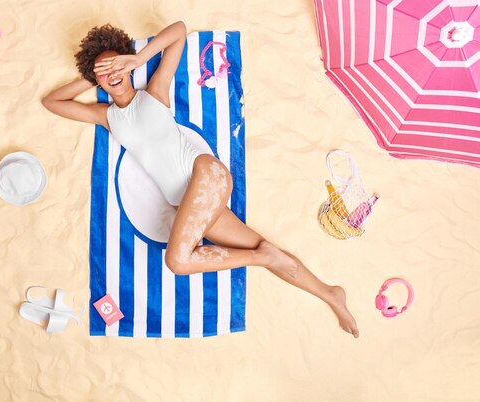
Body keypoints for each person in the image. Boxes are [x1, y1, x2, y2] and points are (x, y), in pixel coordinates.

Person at [42, 21, 359, 338]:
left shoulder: (154, 92)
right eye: (104, 72)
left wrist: (138, 58)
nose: (113, 75)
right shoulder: (107, 117)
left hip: (207, 176)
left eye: (116, 66)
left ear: (127, 66)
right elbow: (52, 102)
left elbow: (178, 31)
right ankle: (330, 293)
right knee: (260, 246)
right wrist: (93, 73)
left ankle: (260, 259)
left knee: (177, 261)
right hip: (192, 203)